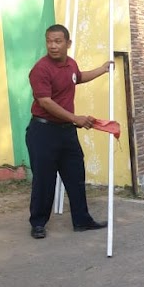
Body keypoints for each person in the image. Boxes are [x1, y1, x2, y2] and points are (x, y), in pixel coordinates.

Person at [25, 24, 112, 240]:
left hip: (66, 132)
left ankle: (82, 220)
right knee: (44, 180)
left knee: (75, 176)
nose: (52, 46)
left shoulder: (71, 64)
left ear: (68, 43)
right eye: (49, 41)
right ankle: (38, 223)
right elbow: (45, 102)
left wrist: (102, 69)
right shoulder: (41, 69)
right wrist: (76, 118)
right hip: (43, 132)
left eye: (58, 41)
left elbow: (78, 77)